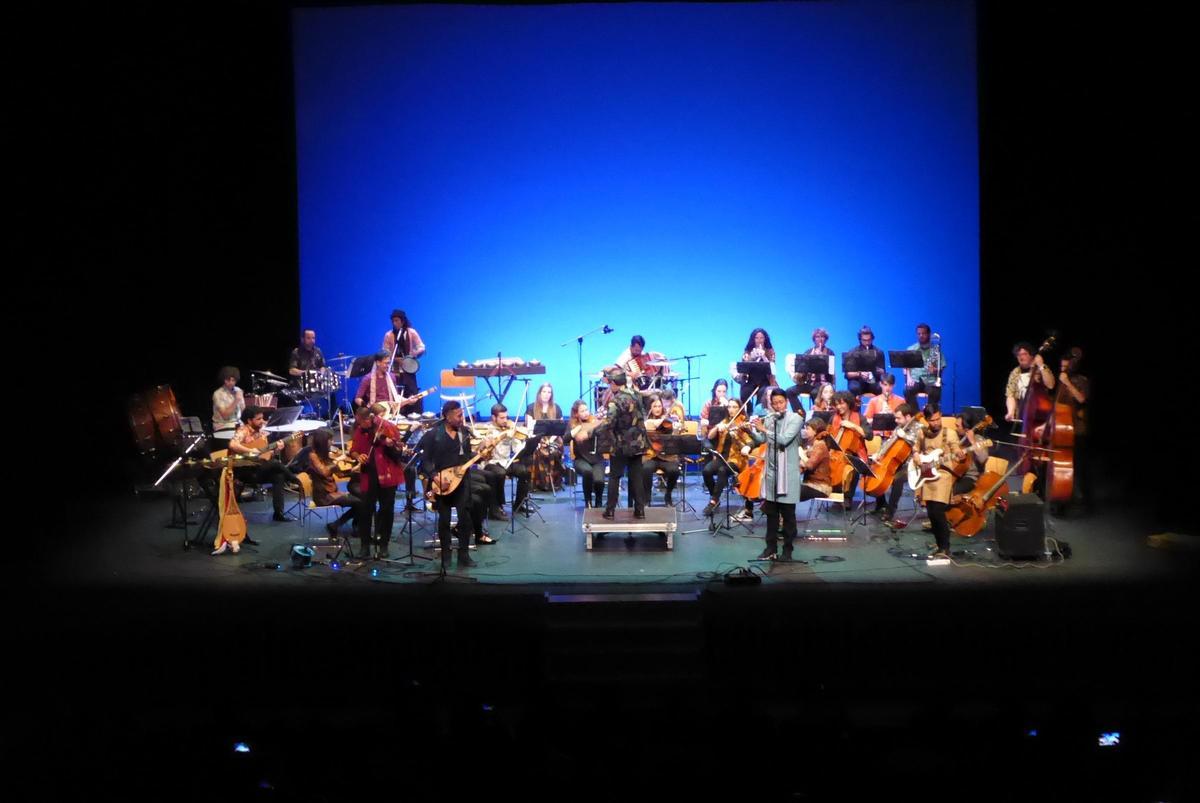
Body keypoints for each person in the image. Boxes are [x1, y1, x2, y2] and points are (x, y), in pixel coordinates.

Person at [423, 400, 480, 569]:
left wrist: (480, 455)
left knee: (465, 519)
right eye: (459, 415)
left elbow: (467, 456)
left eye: (462, 414)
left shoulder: (464, 433)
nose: (462, 418)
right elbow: (425, 461)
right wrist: (435, 477)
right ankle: (445, 556)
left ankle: (464, 555)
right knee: (444, 520)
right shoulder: (434, 435)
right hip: (442, 483)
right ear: (448, 416)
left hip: (462, 482)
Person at [748, 388, 803, 561]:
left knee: (788, 517)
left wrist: (763, 429)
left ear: (786, 401)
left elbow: (784, 439)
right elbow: (761, 440)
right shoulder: (771, 419)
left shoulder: (796, 418)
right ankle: (770, 549)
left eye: (781, 402)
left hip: (787, 476)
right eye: (775, 403)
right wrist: (750, 430)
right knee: (771, 516)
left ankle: (788, 551)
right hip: (772, 475)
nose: (778, 405)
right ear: (771, 404)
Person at [349, 403, 406, 559]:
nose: (360, 426)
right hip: (369, 475)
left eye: (362, 422)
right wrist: (358, 456)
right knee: (365, 510)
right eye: (358, 423)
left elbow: (398, 453)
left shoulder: (387, 427)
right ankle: (365, 546)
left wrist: (389, 445)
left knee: (386, 511)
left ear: (370, 418)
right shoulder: (361, 430)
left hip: (388, 474)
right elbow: (353, 450)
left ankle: (383, 545)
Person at [226, 407, 300, 523]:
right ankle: (294, 479)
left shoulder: (262, 433)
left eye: (262, 418)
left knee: (278, 476)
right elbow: (232, 445)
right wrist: (249, 451)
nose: (262, 421)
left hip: (258, 468)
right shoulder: (243, 430)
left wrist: (277, 450)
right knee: (275, 464)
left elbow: (266, 455)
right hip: (244, 470)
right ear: (249, 421)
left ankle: (278, 514)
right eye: (258, 419)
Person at [911, 402, 964, 558]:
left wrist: (960, 454)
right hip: (927, 475)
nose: (935, 423)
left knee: (938, 512)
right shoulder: (922, 433)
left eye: (937, 419)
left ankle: (945, 548)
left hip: (943, 475)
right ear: (926, 420)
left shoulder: (950, 433)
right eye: (932, 420)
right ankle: (940, 545)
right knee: (931, 514)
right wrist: (916, 456)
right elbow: (916, 449)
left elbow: (956, 450)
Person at [306, 429, 370, 555]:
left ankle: (336, 525)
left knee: (363, 502)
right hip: (323, 495)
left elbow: (340, 474)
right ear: (323, 441)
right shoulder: (313, 456)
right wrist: (336, 461)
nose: (332, 442)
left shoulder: (325, 456)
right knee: (360, 503)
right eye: (330, 440)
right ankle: (337, 524)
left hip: (332, 492)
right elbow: (324, 472)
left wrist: (354, 469)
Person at [603, 370, 648, 519]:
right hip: (638, 443)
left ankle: (610, 511)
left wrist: (590, 432)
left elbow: (609, 424)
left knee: (615, 477)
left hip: (621, 445)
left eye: (610, 384)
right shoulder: (637, 395)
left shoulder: (615, 402)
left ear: (614, 384)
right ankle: (640, 510)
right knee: (636, 477)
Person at [868, 403, 920, 525]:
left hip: (911, 464)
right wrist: (878, 454)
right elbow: (888, 444)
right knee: (875, 473)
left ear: (908, 417)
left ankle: (890, 511)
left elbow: (918, 444)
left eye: (898, 418)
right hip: (896, 462)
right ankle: (881, 504)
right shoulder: (898, 428)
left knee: (897, 480)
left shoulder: (919, 428)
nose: (896, 421)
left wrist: (906, 437)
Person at [479, 403, 531, 519]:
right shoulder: (487, 429)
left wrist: (519, 439)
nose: (505, 420)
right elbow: (482, 450)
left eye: (506, 417)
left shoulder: (509, 429)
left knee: (524, 471)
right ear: (494, 418)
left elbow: (516, 449)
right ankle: (496, 508)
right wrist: (493, 440)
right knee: (499, 473)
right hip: (491, 463)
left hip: (506, 462)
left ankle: (519, 503)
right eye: (502, 418)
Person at [1056, 347, 1091, 512]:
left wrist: (1067, 382)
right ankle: (1063, 498)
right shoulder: (1062, 382)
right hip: (1063, 429)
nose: (1063, 371)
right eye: (1061, 368)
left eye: (1066, 368)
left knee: (1079, 467)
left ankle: (1085, 500)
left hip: (1077, 429)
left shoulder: (1080, 380)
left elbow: (1081, 398)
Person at [829, 391, 873, 509]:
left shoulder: (859, 417)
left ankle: (848, 496)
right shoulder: (833, 418)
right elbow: (828, 435)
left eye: (841, 404)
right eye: (836, 404)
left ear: (848, 403)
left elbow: (869, 436)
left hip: (855, 452)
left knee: (852, 466)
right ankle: (835, 492)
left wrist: (853, 426)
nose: (839, 407)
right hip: (836, 452)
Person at [381, 309, 426, 412]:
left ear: (402, 321)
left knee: (411, 391)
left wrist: (413, 354)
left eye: (397, 320)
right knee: (396, 391)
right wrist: (396, 359)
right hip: (394, 367)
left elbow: (421, 346)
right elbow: (385, 351)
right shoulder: (389, 335)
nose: (395, 323)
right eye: (393, 321)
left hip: (409, 366)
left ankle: (414, 414)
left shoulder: (411, 332)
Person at [642, 395, 681, 507]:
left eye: (659, 406)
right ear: (650, 408)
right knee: (646, 469)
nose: (658, 409)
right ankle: (647, 498)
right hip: (651, 455)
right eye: (655, 406)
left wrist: (676, 429)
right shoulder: (647, 421)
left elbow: (675, 438)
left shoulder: (669, 419)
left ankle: (668, 494)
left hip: (667, 456)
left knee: (674, 470)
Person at [785, 327, 834, 413]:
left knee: (815, 393)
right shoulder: (808, 352)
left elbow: (831, 372)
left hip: (823, 384)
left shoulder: (830, 352)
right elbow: (802, 370)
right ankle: (801, 414)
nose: (820, 339)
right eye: (817, 337)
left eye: (822, 337)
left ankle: (818, 415)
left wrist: (821, 359)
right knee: (789, 391)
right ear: (814, 339)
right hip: (809, 383)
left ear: (826, 339)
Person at [568, 400, 606, 509]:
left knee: (599, 480)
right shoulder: (573, 424)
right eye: (582, 411)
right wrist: (576, 431)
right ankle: (588, 501)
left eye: (586, 410)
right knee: (587, 471)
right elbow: (566, 438)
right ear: (576, 413)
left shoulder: (595, 422)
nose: (586, 413)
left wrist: (598, 424)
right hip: (580, 459)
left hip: (597, 458)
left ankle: (598, 502)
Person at [1004, 342, 1055, 423]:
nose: (1021, 357)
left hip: (1040, 415)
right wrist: (1010, 412)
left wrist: (1041, 366)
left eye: (1024, 354)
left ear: (1031, 355)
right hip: (1023, 416)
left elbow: (1051, 385)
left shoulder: (1041, 368)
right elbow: (1010, 394)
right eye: (1018, 355)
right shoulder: (1015, 372)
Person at [735, 328, 778, 410]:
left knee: (763, 393)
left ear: (765, 339)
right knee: (744, 392)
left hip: (765, 380)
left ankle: (758, 413)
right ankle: (750, 412)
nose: (759, 340)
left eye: (761, 338)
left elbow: (773, 367)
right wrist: (752, 358)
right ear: (753, 339)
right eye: (757, 338)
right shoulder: (748, 351)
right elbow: (744, 365)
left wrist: (764, 357)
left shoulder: (770, 351)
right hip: (751, 379)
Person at [903, 323, 944, 408]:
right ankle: (916, 414)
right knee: (907, 391)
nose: (921, 336)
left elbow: (942, 366)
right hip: (915, 380)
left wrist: (935, 370)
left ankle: (929, 414)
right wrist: (908, 378)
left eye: (923, 333)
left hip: (930, 381)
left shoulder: (936, 350)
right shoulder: (911, 349)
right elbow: (906, 366)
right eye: (919, 334)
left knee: (935, 392)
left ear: (929, 334)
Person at [845, 324, 885, 397]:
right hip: (857, 380)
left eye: (869, 340)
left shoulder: (879, 352)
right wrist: (860, 374)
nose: (867, 343)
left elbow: (883, 372)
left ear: (872, 339)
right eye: (864, 340)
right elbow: (848, 374)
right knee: (854, 388)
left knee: (880, 388)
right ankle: (855, 408)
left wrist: (880, 371)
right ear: (860, 339)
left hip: (873, 380)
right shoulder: (852, 352)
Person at [212, 366, 245, 435]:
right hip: (223, 425)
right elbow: (225, 416)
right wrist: (236, 400)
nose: (231, 383)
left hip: (237, 423)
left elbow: (242, 410)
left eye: (233, 380)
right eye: (228, 380)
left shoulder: (238, 390)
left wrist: (241, 401)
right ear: (223, 380)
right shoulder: (218, 394)